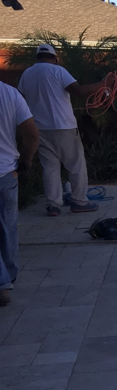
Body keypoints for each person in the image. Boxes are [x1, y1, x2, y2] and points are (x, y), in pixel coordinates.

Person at [17, 44, 106, 217]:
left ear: (37, 57)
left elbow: (20, 99)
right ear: (54, 58)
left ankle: (53, 205)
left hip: (40, 129)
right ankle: (80, 201)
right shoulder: (58, 71)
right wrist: (103, 84)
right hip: (64, 126)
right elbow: (79, 91)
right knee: (76, 165)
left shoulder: (27, 74)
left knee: (49, 167)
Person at [0, 80, 39, 306]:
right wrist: (26, 160)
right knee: (7, 226)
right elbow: (32, 134)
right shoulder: (9, 93)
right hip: (6, 172)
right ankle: (8, 278)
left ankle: (3, 283)